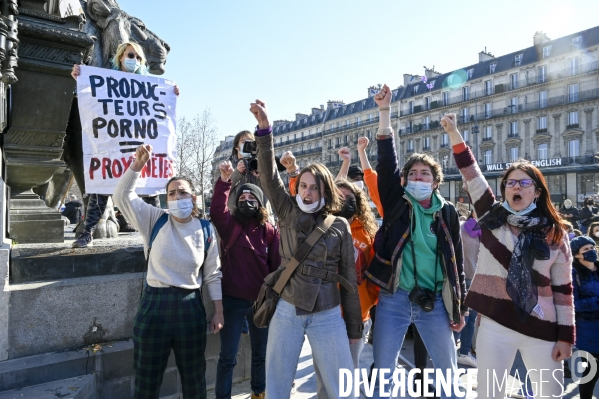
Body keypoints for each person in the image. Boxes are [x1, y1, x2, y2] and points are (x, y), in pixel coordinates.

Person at [441, 112, 574, 399]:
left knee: (549, 394)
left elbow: (564, 291)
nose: (516, 187)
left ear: (536, 192)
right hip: (495, 324)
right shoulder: (492, 217)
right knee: (490, 395)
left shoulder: (555, 234)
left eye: (524, 183)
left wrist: (566, 336)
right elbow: (471, 173)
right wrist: (454, 133)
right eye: (510, 183)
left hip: (542, 326)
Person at [251, 99, 362, 398]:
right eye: (303, 186)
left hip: (327, 313)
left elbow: (349, 282)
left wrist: (354, 329)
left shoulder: (339, 226)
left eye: (314, 187)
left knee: (344, 390)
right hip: (287, 309)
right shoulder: (286, 211)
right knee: (276, 387)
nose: (308, 192)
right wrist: (264, 131)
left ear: (324, 191)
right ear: (297, 188)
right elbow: (270, 176)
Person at [364, 85, 467, 399]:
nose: (418, 179)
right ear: (405, 179)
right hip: (394, 300)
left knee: (448, 375)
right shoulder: (396, 201)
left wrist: (458, 308)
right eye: (413, 174)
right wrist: (385, 112)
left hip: (434, 302)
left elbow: (456, 262)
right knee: (383, 374)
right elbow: (385, 161)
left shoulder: (447, 213)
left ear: (436, 181)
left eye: (425, 174)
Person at [113, 144, 223, 398]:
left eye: (182, 192)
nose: (176, 197)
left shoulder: (206, 229)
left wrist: (218, 311)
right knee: (146, 379)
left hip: (190, 307)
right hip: (154, 306)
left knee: (194, 379)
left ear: (193, 197)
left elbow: (213, 273)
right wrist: (137, 166)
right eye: (171, 193)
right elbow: (121, 197)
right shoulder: (154, 218)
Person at [70, 41, 179, 248]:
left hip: (140, 149)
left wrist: (172, 93)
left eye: (138, 58)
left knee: (150, 190)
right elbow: (88, 99)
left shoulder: (150, 85)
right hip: (114, 149)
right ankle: (88, 233)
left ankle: (162, 234)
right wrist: (79, 77)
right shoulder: (103, 81)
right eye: (131, 56)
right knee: (101, 189)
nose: (135, 61)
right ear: (120, 57)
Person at [211, 161, 281, 399]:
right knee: (227, 358)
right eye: (241, 197)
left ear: (260, 203)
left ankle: (258, 393)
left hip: (260, 302)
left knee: (260, 353)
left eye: (252, 197)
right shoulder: (229, 225)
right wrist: (224, 181)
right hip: (231, 301)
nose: (246, 200)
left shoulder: (269, 231)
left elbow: (275, 268)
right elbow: (216, 211)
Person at [569, 236, 599, 399]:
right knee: (590, 374)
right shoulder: (574, 274)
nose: (591, 251)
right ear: (576, 255)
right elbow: (573, 304)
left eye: (592, 247)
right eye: (586, 249)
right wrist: (597, 302)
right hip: (588, 332)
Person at [227, 131, 275, 225]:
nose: (247, 144)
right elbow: (219, 191)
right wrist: (237, 173)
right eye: (244, 141)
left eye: (251, 142)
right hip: (235, 221)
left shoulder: (261, 164)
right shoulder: (226, 167)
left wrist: (262, 175)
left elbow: (273, 191)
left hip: (261, 220)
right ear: (237, 146)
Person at [455, 209, 480, 367]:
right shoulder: (463, 227)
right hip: (465, 279)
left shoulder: (485, 232)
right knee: (462, 318)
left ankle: (462, 352)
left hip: (474, 280)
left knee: (468, 319)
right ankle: (456, 351)